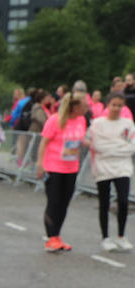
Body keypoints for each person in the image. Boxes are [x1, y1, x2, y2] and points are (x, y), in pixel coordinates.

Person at [37, 88, 88, 252]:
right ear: (74, 107)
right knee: (54, 202)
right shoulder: (55, 120)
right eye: (84, 105)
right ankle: (50, 237)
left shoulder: (81, 120)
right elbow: (43, 143)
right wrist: (40, 164)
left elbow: (81, 140)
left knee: (64, 203)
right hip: (53, 166)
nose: (87, 108)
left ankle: (57, 235)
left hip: (71, 167)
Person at [86, 93, 135, 252]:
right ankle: (105, 237)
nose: (116, 108)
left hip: (122, 167)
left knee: (122, 201)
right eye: (113, 105)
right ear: (107, 105)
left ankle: (121, 235)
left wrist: (108, 148)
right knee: (104, 202)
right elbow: (96, 145)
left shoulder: (128, 124)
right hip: (103, 168)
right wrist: (116, 147)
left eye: (119, 105)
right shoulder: (98, 124)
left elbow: (131, 146)